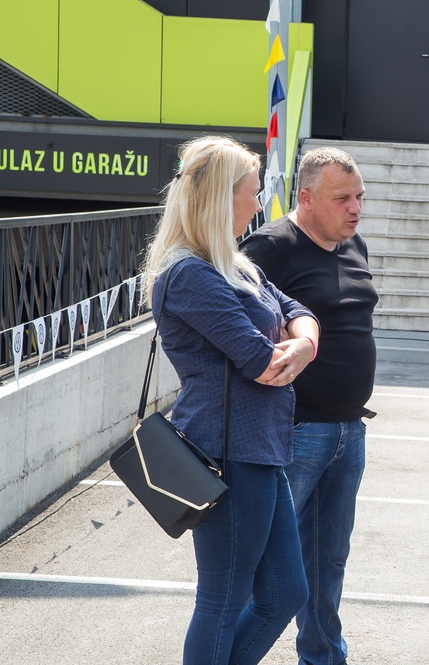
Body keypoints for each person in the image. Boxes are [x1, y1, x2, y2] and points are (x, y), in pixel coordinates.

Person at [142, 135, 320, 664]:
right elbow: (261, 363)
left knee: (286, 593)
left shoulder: (235, 265)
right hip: (226, 454)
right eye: (252, 191)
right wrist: (291, 350)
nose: (259, 202)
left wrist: (304, 344)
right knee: (223, 597)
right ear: (222, 198)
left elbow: (297, 311)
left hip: (258, 449)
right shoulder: (190, 275)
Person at [241, 146, 378, 665]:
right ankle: (228, 654)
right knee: (261, 566)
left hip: (349, 430)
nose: (355, 208)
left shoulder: (353, 243)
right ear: (306, 198)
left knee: (328, 561)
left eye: (359, 196)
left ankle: (322, 657)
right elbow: (233, 325)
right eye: (342, 198)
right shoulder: (270, 247)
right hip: (293, 431)